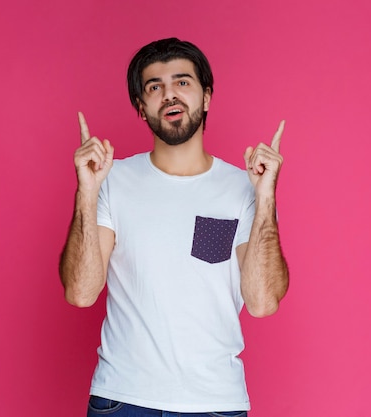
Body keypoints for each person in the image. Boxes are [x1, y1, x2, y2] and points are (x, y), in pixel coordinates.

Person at [59, 38, 289, 417]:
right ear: (141, 106)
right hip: (122, 400)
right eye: (155, 87)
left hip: (215, 403)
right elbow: (81, 293)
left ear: (207, 96)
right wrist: (86, 191)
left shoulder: (244, 188)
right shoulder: (112, 181)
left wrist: (265, 197)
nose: (170, 95)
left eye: (182, 82)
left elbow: (262, 303)